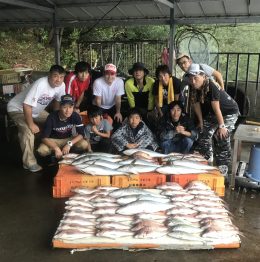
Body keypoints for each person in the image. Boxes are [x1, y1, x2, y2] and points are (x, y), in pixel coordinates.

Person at [7, 65, 66, 172]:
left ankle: (50, 149)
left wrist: (56, 116)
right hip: (18, 108)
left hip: (35, 111)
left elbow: (57, 101)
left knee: (54, 121)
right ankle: (29, 163)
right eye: (55, 76)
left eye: (61, 77)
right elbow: (26, 105)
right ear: (49, 75)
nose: (59, 80)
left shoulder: (61, 85)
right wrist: (31, 124)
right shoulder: (41, 84)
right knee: (28, 131)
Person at [186, 64, 240, 176]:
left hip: (228, 112)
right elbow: (196, 104)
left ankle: (223, 167)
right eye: (191, 77)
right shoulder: (192, 86)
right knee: (203, 132)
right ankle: (207, 159)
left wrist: (222, 126)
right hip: (214, 114)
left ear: (203, 76)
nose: (193, 80)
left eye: (195, 77)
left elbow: (217, 109)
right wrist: (201, 122)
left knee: (222, 136)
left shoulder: (211, 86)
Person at [37, 94, 89, 160]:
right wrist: (56, 148)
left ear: (73, 107)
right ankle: (53, 159)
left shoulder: (75, 116)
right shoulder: (51, 117)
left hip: (68, 139)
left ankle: (69, 155)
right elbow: (44, 138)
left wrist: (69, 144)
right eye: (65, 107)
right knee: (42, 150)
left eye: (70, 107)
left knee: (84, 144)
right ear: (60, 107)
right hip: (54, 140)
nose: (68, 110)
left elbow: (81, 134)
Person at [93, 63, 124, 130]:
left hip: (112, 105)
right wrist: (99, 114)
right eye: (107, 74)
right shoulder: (97, 82)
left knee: (118, 122)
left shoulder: (120, 82)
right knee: (100, 123)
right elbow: (98, 100)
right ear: (104, 74)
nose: (110, 76)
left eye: (112, 74)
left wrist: (118, 112)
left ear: (116, 74)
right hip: (99, 106)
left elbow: (118, 99)